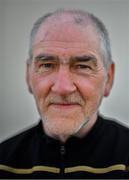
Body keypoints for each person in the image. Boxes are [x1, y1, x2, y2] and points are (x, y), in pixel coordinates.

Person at [0, 9, 129, 179]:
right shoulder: (4, 162)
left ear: (109, 78)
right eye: (47, 65)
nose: (63, 87)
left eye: (83, 66)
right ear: (28, 76)